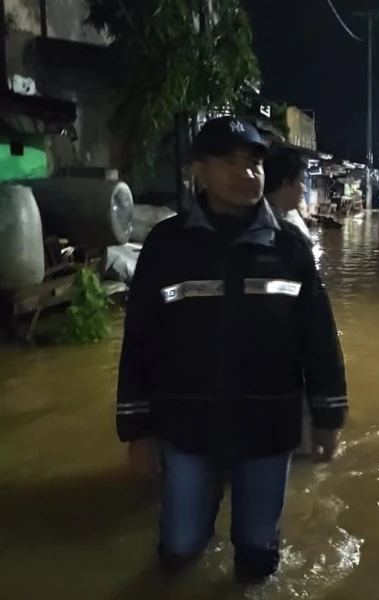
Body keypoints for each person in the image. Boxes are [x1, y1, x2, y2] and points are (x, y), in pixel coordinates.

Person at [116, 116, 348, 583]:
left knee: (257, 560)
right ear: (198, 169)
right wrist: (137, 429)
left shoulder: (288, 246)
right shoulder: (167, 245)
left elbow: (318, 334)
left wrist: (328, 416)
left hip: (267, 425)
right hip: (187, 424)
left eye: (255, 163)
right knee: (178, 549)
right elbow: (140, 338)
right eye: (230, 162)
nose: (248, 174)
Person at [263, 146, 314, 455]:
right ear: (285, 184)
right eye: (301, 181)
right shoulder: (282, 231)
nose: (304, 189)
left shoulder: (288, 222)